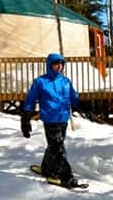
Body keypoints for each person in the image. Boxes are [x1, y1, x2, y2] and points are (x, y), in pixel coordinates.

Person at [21, 53, 82, 188]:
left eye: (61, 64)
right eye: (56, 64)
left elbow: (73, 96)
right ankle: (66, 177)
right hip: (50, 119)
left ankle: (47, 168)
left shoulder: (65, 81)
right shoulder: (40, 82)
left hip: (63, 118)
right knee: (58, 148)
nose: (59, 66)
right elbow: (30, 99)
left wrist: (80, 105)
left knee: (54, 145)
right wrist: (25, 118)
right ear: (49, 65)